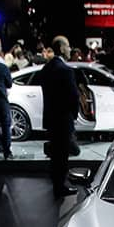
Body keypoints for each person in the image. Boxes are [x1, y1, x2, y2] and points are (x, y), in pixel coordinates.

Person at [32, 36, 80, 198]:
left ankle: (57, 185)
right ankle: (61, 187)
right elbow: (74, 97)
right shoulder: (66, 70)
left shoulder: (46, 70)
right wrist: (73, 116)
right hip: (63, 119)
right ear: (60, 48)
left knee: (55, 156)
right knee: (62, 156)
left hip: (51, 118)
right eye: (67, 46)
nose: (69, 49)